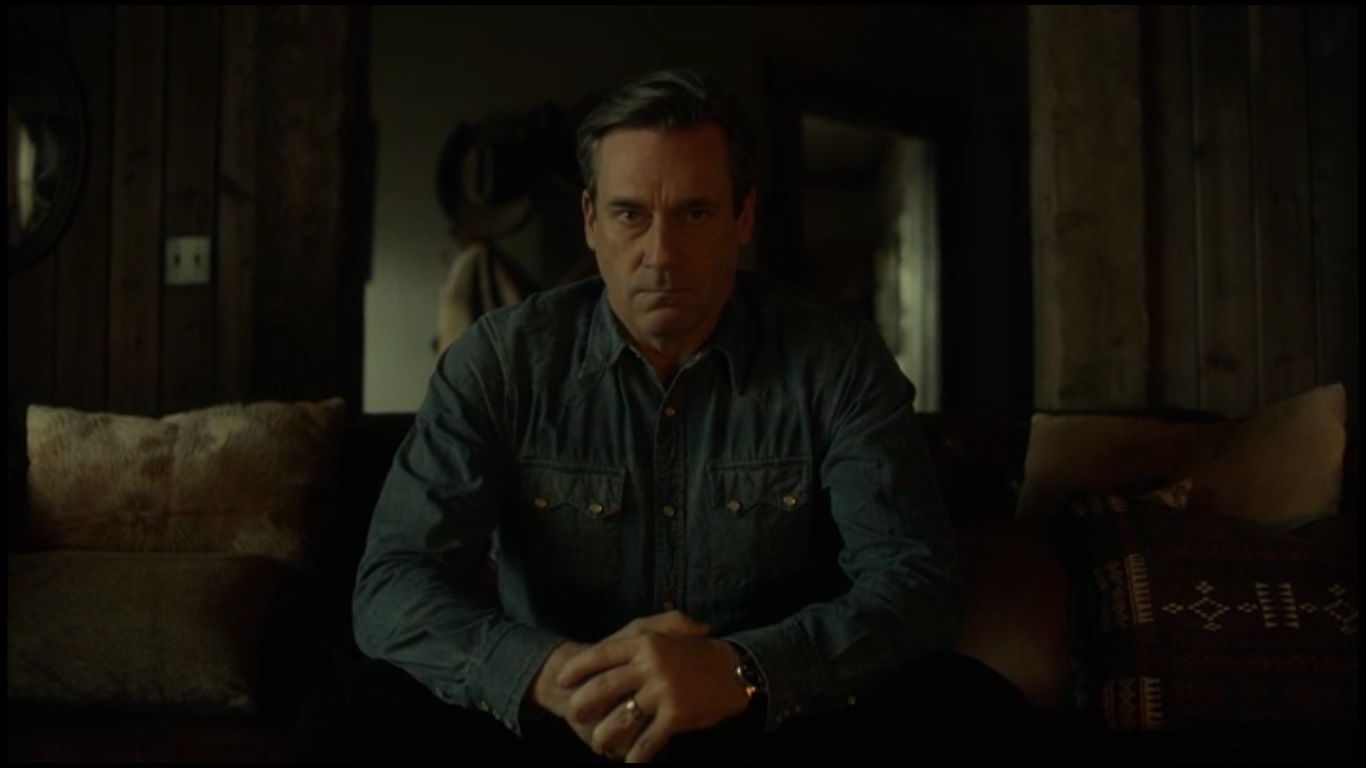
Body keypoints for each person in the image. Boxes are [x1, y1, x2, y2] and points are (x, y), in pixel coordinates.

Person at [298, 68, 1028, 763]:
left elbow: (915, 581)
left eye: (695, 213)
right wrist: (554, 674)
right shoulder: (501, 361)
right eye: (630, 215)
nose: (661, 254)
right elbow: (394, 584)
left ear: (743, 216)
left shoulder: (834, 358)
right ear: (591, 220)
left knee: (970, 706)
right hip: (564, 718)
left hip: (764, 714)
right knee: (352, 716)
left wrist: (740, 670)